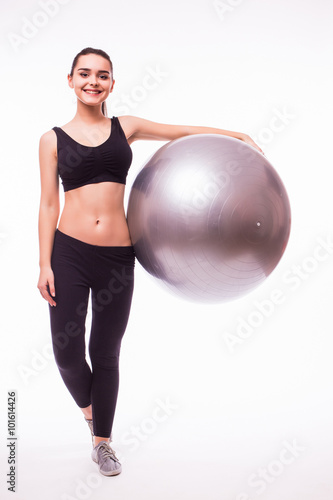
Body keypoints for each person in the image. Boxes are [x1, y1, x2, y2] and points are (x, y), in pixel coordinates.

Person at [37, 46, 263, 477]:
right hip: (68, 252)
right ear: (70, 81)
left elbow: (181, 133)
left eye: (102, 75)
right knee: (67, 355)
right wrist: (44, 264)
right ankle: (92, 414)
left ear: (112, 84)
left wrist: (235, 136)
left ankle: (102, 442)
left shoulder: (127, 126)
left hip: (118, 258)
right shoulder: (51, 139)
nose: (93, 81)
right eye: (84, 74)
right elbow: (48, 205)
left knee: (105, 352)